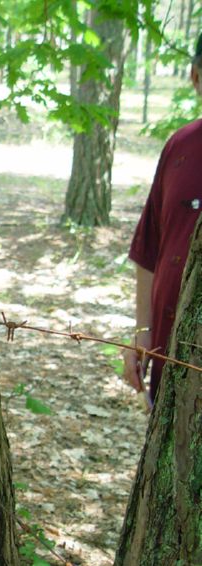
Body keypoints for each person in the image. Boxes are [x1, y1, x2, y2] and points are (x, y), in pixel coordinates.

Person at [123, 33, 202, 403]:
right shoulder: (180, 147)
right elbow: (149, 249)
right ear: (195, 78)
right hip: (168, 359)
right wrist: (142, 333)